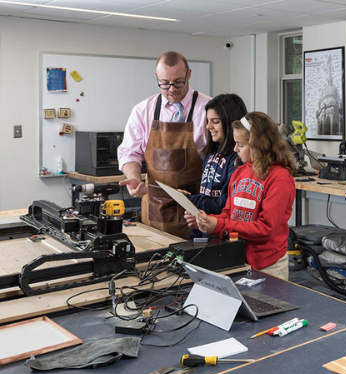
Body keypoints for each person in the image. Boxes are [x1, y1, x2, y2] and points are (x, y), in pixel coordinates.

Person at [185, 112, 296, 280]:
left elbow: (265, 228)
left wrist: (218, 225)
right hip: (238, 258)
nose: (235, 149)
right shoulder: (240, 172)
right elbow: (229, 214)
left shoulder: (280, 179)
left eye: (240, 145)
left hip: (268, 265)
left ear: (259, 145)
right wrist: (207, 221)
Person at [117, 51, 212, 239]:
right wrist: (134, 177)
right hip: (155, 209)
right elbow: (129, 152)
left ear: (189, 74)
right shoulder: (143, 110)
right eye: (164, 83)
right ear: (156, 77)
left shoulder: (208, 108)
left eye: (178, 82)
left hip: (196, 208)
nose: (172, 89)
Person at [180, 94, 247, 239]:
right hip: (206, 234)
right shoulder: (210, 153)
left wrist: (190, 199)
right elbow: (206, 195)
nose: (208, 126)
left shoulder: (238, 160)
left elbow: (227, 202)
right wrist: (196, 229)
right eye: (207, 121)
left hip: (223, 236)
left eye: (215, 121)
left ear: (231, 123)